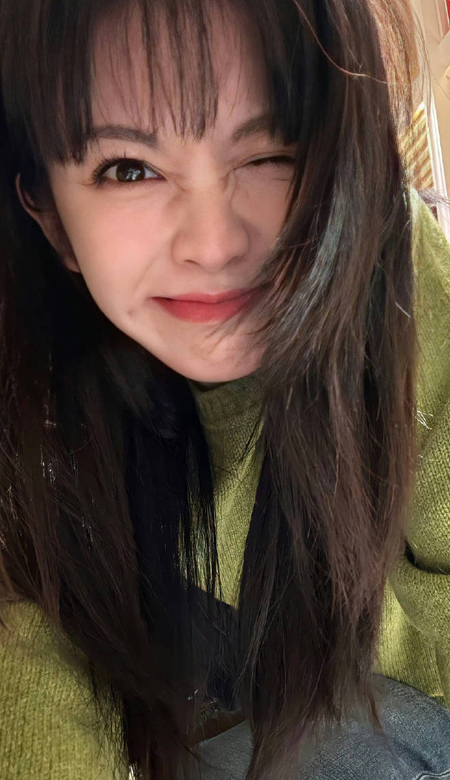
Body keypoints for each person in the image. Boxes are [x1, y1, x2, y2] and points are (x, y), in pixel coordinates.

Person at [1, 0, 450, 778]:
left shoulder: (401, 282)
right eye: (129, 169)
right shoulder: (33, 397)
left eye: (273, 152)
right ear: (49, 215)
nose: (214, 245)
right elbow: (32, 668)